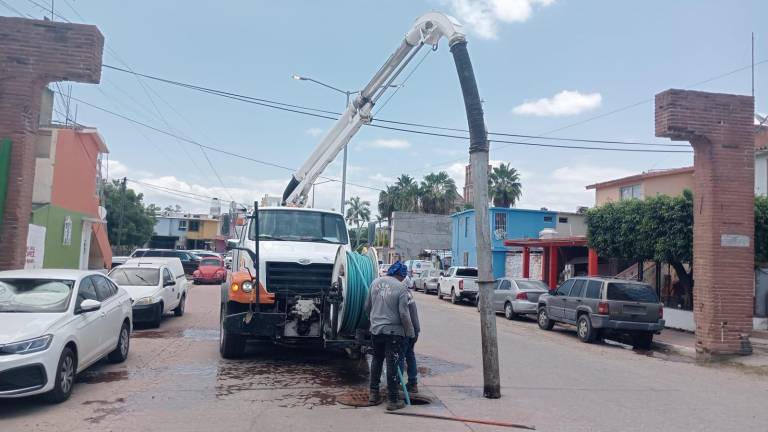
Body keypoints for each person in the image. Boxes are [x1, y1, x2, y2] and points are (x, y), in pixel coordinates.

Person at [365, 260, 415, 411]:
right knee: (392, 364)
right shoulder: (401, 288)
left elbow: (367, 307)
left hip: (376, 331)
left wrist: (373, 321)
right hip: (394, 333)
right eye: (403, 276)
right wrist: (410, 332)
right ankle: (392, 400)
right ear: (400, 275)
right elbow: (404, 314)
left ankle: (373, 395)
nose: (403, 279)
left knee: (376, 361)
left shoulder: (375, 283)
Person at [398, 288, 420, 394]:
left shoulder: (400, 293)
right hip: (415, 328)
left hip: (409, 329)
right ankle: (413, 383)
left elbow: (403, 314)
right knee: (410, 354)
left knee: (400, 356)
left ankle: (397, 383)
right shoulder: (407, 292)